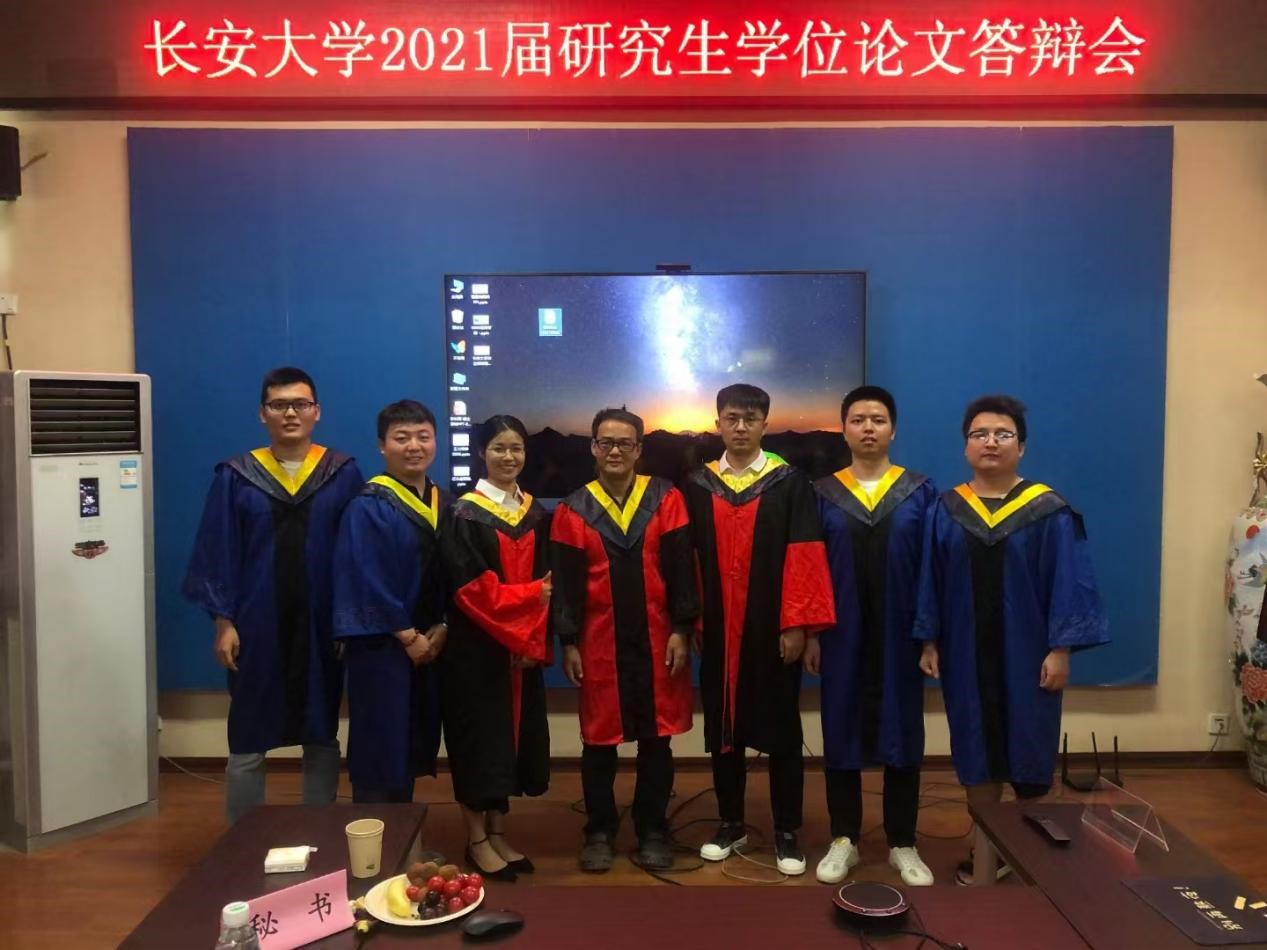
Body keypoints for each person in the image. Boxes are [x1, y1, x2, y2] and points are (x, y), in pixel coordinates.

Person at [914, 394, 1109, 885]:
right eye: (979, 434)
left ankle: (1028, 849)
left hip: (1029, 654)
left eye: (1003, 434)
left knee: (1029, 745)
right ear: (966, 446)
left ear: (1021, 446)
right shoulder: (947, 510)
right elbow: (930, 578)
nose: (991, 442)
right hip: (965, 654)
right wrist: (929, 640)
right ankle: (986, 849)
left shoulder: (1048, 510)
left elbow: (1069, 582)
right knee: (975, 747)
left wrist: (1061, 649)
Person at [183, 367, 363, 823]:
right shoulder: (236, 476)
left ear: (317, 412)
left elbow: (355, 554)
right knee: (248, 730)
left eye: (300, 404)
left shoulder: (341, 473)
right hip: (256, 624)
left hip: (321, 623)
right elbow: (218, 550)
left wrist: (348, 622)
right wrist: (223, 621)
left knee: (321, 728)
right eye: (279, 405)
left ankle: (318, 826)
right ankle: (240, 836)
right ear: (262, 413)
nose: (290, 413)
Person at [683, 383, 835, 876]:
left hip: (773, 628)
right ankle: (731, 822)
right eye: (732, 417)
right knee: (723, 728)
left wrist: (799, 625)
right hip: (719, 627)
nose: (741, 427)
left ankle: (787, 829)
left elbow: (805, 555)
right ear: (718, 423)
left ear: (765, 424)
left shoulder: (789, 483)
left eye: (750, 418)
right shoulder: (699, 485)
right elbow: (689, 560)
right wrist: (695, 620)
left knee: (782, 729)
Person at [550, 407, 699, 873]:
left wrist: (682, 629)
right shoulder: (573, 509)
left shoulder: (666, 498)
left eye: (624, 443)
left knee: (657, 740)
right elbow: (567, 584)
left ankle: (653, 827)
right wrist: (568, 641)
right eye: (606, 442)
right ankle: (599, 829)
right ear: (593, 448)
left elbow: (681, 569)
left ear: (639, 449)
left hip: (658, 636)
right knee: (599, 741)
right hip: (600, 640)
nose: (615, 451)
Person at [806, 386, 936, 886]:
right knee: (840, 728)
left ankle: (903, 841)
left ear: (892, 430)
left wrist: (929, 635)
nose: (867, 428)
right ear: (843, 430)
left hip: (901, 636)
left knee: (903, 732)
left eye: (877, 419)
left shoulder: (919, 492)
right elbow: (809, 569)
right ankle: (845, 838)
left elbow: (931, 570)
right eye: (858, 419)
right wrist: (812, 632)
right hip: (841, 634)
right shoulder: (822, 493)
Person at [441, 415, 552, 882]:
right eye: (499, 448)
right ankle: (476, 840)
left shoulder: (534, 513)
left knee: (510, 742)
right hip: (477, 651)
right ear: (481, 453)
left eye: (517, 448)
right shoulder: (463, 513)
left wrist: (531, 641)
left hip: (520, 652)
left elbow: (550, 584)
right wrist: (530, 601)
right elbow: (471, 590)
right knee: (479, 742)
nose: (509, 456)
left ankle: (498, 831)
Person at [332, 400, 448, 805]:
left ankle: (403, 831)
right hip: (382, 646)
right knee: (380, 742)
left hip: (432, 644)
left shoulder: (445, 503)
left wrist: (443, 625)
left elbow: (456, 572)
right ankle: (373, 834)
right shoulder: (368, 506)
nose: (414, 446)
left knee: (410, 742)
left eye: (423, 436)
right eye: (402, 438)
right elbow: (365, 577)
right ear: (382, 445)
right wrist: (407, 635)